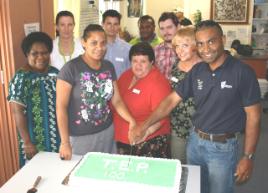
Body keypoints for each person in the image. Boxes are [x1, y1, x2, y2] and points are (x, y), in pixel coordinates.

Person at [129, 20, 261, 193]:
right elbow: (171, 101)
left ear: (223, 39)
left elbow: (254, 117)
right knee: (196, 188)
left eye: (211, 41)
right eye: (200, 43)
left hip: (222, 148)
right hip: (195, 142)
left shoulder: (242, 72)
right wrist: (144, 126)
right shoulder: (198, 71)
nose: (205, 49)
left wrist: (247, 156)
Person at [56, 24, 135, 160]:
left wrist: (131, 121)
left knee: (106, 172)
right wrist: (65, 142)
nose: (99, 47)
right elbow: (60, 107)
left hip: (107, 132)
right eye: (94, 43)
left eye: (103, 43)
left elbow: (116, 100)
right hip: (81, 137)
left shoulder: (108, 67)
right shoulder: (70, 68)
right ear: (83, 43)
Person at [7, 32, 60, 167]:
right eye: (34, 53)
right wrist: (27, 142)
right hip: (34, 141)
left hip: (57, 138)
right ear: (27, 54)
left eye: (44, 53)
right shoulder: (21, 78)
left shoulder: (55, 73)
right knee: (35, 177)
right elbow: (17, 112)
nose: (40, 57)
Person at [113, 42, 171, 158]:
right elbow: (116, 100)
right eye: (135, 61)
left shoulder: (158, 83)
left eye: (143, 61)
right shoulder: (127, 75)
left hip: (145, 142)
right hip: (122, 140)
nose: (138, 66)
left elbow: (162, 117)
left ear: (151, 62)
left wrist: (145, 132)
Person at [170, 26, 201, 163]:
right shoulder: (175, 66)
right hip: (178, 126)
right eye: (177, 46)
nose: (180, 50)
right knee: (178, 165)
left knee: (199, 168)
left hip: (200, 129)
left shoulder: (204, 67)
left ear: (195, 46)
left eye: (185, 45)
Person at [102, 9, 131, 78]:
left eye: (115, 24)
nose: (112, 27)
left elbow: (130, 73)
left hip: (121, 87)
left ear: (119, 26)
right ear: (102, 24)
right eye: (109, 23)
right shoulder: (96, 47)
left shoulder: (128, 48)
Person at [154, 12, 180, 79]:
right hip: (161, 88)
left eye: (169, 27)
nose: (165, 32)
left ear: (178, 27)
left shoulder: (186, 50)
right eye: (162, 28)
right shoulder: (155, 51)